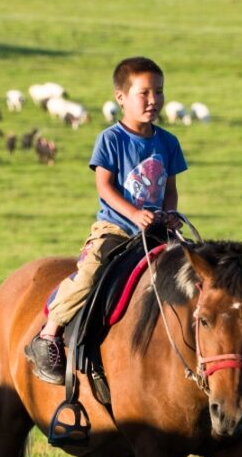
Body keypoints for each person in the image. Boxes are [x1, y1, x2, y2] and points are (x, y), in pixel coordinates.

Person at [24, 56, 188, 384]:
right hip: (116, 227)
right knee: (89, 274)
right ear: (121, 97)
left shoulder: (168, 142)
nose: (154, 100)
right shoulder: (111, 139)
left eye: (159, 92)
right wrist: (133, 214)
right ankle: (49, 334)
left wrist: (169, 214)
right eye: (144, 93)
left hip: (154, 230)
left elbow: (170, 189)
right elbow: (105, 185)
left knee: (194, 271)